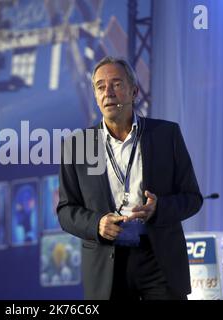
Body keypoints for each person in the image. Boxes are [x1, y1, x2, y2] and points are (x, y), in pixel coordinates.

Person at [57, 56, 203, 300]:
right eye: (101, 87)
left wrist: (159, 209)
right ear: (95, 95)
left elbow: (192, 198)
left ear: (134, 91)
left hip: (158, 259)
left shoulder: (166, 135)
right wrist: (97, 224)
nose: (108, 93)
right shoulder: (78, 145)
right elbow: (66, 210)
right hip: (106, 264)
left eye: (116, 84)